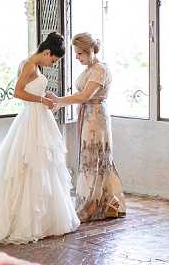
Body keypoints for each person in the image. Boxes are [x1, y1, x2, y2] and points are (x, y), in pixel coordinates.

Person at [0, 32, 80, 246]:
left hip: (38, 118)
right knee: (31, 164)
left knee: (42, 166)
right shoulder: (29, 64)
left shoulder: (33, 66)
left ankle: (43, 220)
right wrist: (42, 99)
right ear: (47, 52)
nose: (52, 64)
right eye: (53, 60)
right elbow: (17, 93)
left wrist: (44, 101)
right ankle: (27, 221)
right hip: (32, 118)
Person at [48, 32, 126, 221]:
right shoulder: (89, 70)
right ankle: (99, 203)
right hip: (87, 116)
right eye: (76, 53)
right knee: (89, 158)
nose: (76, 57)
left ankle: (95, 204)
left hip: (96, 117)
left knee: (95, 157)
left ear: (90, 51)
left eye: (79, 54)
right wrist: (61, 102)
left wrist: (59, 101)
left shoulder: (100, 70)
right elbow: (82, 96)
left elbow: (85, 96)